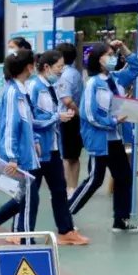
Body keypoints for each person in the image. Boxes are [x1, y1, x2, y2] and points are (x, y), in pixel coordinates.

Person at [67, 40, 138, 233]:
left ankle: (121, 220)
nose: (112, 57)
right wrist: (112, 121)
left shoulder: (116, 79)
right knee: (95, 179)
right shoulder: (93, 83)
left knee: (124, 177)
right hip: (99, 139)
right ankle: (66, 213)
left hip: (114, 139)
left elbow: (136, 68)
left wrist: (124, 48)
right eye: (108, 54)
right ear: (97, 59)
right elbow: (88, 114)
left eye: (113, 54)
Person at [26, 50, 88, 245]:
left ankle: (66, 230)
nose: (61, 71)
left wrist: (59, 118)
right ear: (46, 67)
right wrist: (55, 118)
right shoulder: (33, 88)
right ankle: (19, 231)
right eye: (59, 67)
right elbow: (29, 119)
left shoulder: (53, 87)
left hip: (52, 147)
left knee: (59, 190)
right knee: (29, 194)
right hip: (36, 150)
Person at [0, 49, 41, 234]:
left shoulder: (22, 91)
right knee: (29, 198)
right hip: (18, 158)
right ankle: (26, 240)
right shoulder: (13, 92)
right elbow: (9, 126)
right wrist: (12, 158)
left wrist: (35, 141)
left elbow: (26, 123)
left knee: (26, 197)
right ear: (29, 67)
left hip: (26, 154)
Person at [55, 42, 84, 191]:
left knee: (66, 156)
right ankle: (74, 187)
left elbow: (67, 100)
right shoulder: (75, 72)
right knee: (74, 156)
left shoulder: (64, 75)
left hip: (67, 117)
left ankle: (68, 188)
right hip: (76, 118)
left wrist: (77, 112)